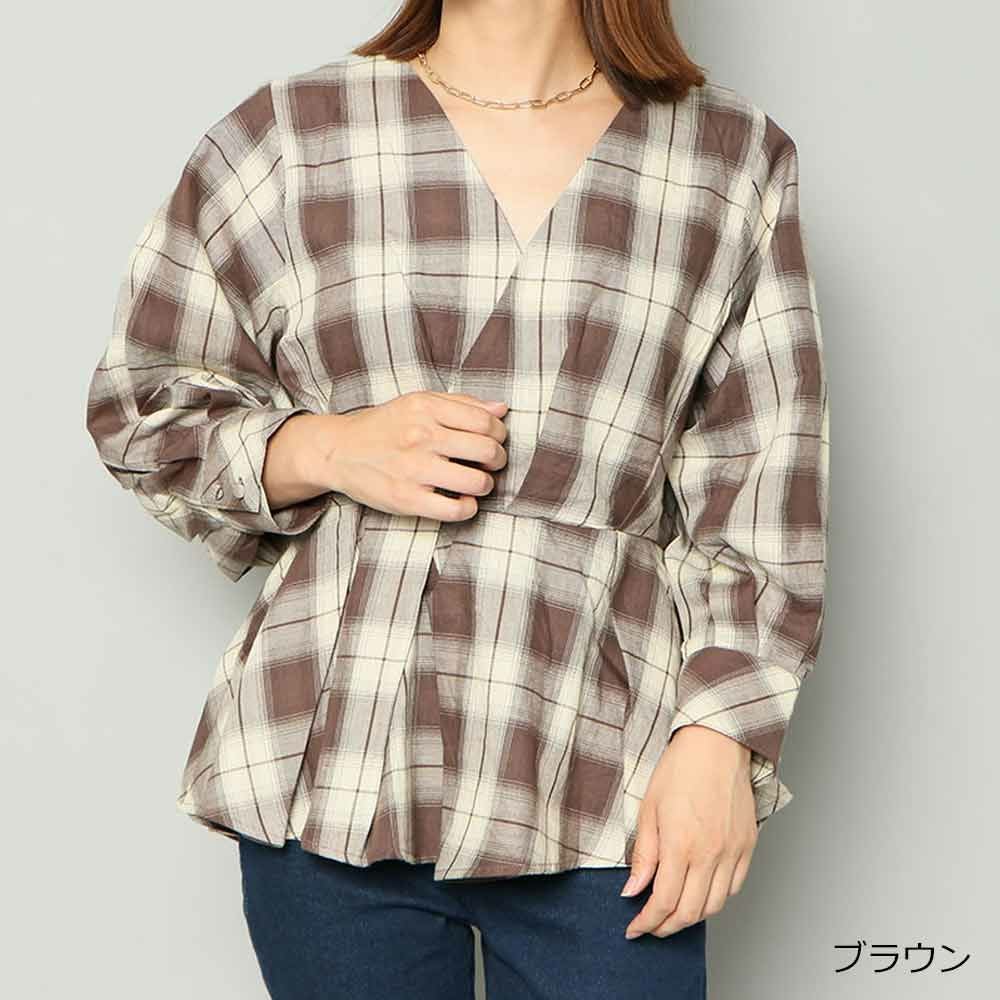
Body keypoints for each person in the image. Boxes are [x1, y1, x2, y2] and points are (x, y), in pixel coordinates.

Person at [84, 1, 829, 996]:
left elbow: (766, 482)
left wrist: (721, 737)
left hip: (608, 762)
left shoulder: (727, 157)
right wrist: (333, 447)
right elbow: (142, 404)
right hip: (337, 764)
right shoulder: (292, 134)